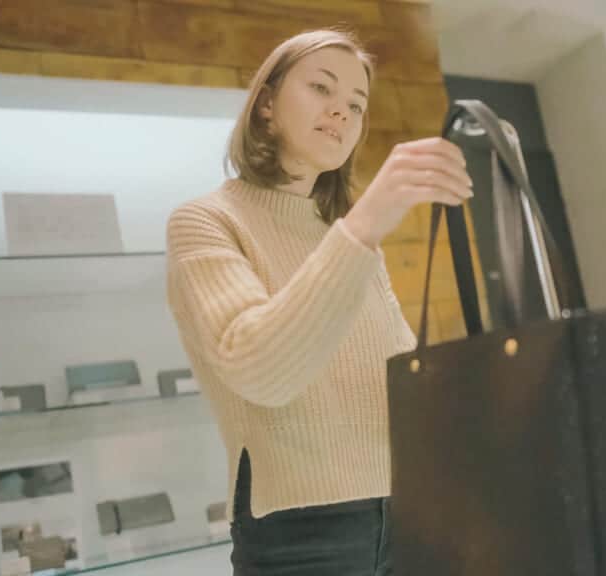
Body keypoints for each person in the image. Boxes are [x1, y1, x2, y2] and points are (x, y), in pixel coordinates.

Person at [165, 29, 473, 576]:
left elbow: (393, 368)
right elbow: (262, 371)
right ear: (265, 105)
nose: (342, 112)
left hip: (411, 509)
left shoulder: (347, 237)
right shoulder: (206, 221)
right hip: (299, 532)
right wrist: (367, 222)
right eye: (321, 88)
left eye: (356, 104)